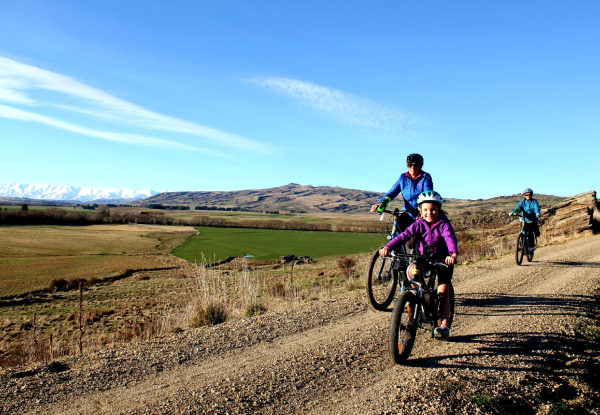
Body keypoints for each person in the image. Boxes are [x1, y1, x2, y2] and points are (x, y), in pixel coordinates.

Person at [379, 191, 458, 341]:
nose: (430, 213)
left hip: (443, 260)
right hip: (423, 258)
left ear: (439, 209)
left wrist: (452, 254)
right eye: (426, 210)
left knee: (443, 293)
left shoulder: (444, 224)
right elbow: (404, 236)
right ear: (420, 210)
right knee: (411, 271)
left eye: (433, 209)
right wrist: (388, 247)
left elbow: (450, 239)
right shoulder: (418, 224)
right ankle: (418, 297)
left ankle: (444, 326)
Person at [370, 153, 433, 232]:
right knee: (397, 234)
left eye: (416, 165)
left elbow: (428, 196)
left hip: (421, 214)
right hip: (407, 213)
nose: (412, 168)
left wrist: (423, 212)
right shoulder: (403, 178)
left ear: (420, 166)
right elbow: (391, 193)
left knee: (419, 240)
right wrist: (381, 203)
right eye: (410, 165)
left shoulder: (425, 177)